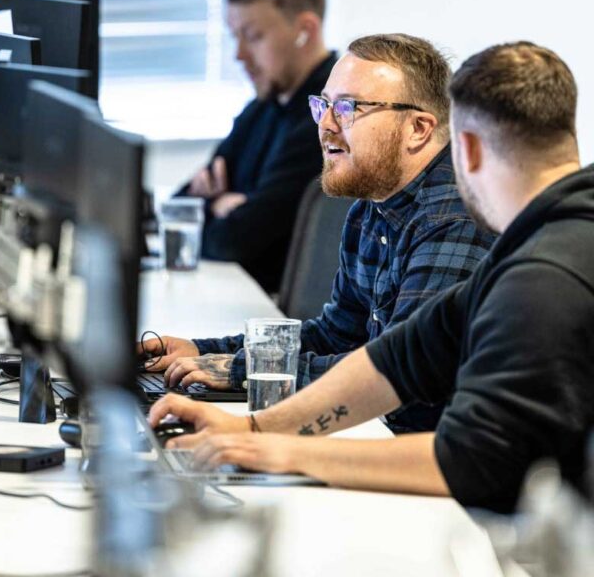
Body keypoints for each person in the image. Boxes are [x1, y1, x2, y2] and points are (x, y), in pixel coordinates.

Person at [149, 41, 594, 513]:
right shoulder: (544, 237)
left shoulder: (542, 275)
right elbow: (398, 358)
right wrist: (255, 429)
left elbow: (471, 460)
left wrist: (282, 451)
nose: (324, 125)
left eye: (347, 108)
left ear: (464, 148)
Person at [145, 34, 494, 433]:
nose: (326, 125)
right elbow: (336, 336)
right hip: (379, 434)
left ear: (418, 128)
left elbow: (401, 377)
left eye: (348, 108)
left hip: (434, 467)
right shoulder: (370, 208)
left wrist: (241, 370)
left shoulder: (453, 217)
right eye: (323, 105)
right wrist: (203, 352)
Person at [176, 0, 337, 292]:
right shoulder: (263, 107)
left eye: (253, 36)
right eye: (235, 36)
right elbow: (179, 207)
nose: (238, 54)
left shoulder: (327, 120)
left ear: (305, 31)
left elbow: (232, 243)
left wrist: (219, 210)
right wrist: (220, 204)